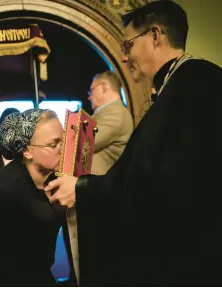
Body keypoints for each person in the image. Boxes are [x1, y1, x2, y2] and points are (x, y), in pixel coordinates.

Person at [45, 1, 222, 286]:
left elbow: (158, 188)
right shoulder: (179, 86)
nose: (124, 58)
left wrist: (82, 189)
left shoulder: (196, 86)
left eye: (127, 47)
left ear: (155, 35)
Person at [0, 109, 75, 286]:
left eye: (64, 141)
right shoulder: (4, 192)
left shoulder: (54, 177)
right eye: (53, 144)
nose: (63, 149)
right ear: (26, 151)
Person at [88, 71, 133, 175]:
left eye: (92, 90)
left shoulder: (116, 113)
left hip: (98, 184)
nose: (89, 97)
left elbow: (86, 143)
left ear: (104, 87)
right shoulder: (110, 112)